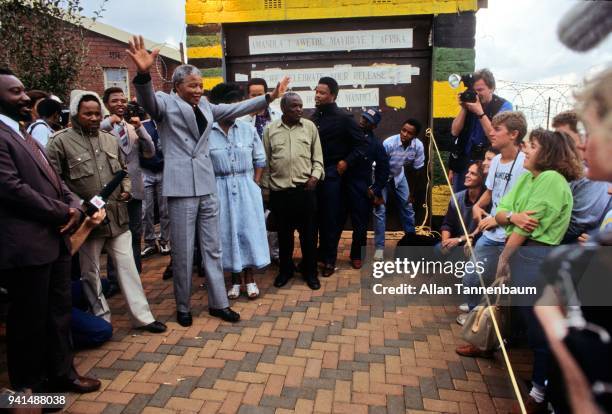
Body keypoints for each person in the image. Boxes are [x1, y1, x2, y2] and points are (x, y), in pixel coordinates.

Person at [127, 35, 289, 327]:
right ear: (177, 87)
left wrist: (269, 97)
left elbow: (238, 109)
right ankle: (183, 306)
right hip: (180, 188)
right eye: (193, 86)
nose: (198, 91)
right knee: (184, 250)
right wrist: (142, 73)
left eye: (201, 86)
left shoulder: (207, 107)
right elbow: (147, 100)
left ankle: (219, 303)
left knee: (213, 247)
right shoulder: (165, 104)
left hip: (207, 185)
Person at [0, 68, 100, 394]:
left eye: (23, 89)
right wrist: (63, 211)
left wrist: (74, 206)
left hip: (54, 241)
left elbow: (55, 181)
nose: (25, 96)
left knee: (58, 316)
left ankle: (62, 375)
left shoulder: (24, 133)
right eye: (15, 92)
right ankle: (30, 390)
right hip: (27, 246)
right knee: (28, 323)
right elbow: (11, 189)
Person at [46, 89, 166, 334]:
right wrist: (79, 208)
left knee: (128, 268)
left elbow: (122, 169)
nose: (92, 117)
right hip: (88, 223)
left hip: (117, 217)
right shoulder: (59, 142)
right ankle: (101, 317)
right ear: (76, 114)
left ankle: (143, 317)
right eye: (87, 113)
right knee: (91, 273)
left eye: (96, 113)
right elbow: (54, 182)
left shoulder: (109, 138)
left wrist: (126, 189)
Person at [492, 129, 581, 412]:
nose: (525, 150)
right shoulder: (528, 178)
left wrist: (503, 259)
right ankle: (539, 386)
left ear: (548, 152)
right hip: (523, 257)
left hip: (536, 259)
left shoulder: (551, 180)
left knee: (541, 331)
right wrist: (511, 216)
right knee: (531, 326)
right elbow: (501, 212)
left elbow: (522, 228)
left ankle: (541, 394)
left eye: (531, 145)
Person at [208, 82, 269, 299]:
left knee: (247, 231)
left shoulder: (247, 129)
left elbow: (260, 159)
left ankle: (250, 278)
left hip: (246, 186)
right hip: (219, 187)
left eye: (237, 105)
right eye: (229, 105)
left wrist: (255, 182)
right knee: (226, 233)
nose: (233, 110)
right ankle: (234, 280)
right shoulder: (208, 131)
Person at [263, 92, 324, 290]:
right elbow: (265, 164)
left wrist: (315, 176)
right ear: (283, 109)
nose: (299, 109)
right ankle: (285, 271)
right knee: (284, 237)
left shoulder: (310, 127)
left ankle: (310, 273)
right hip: (280, 193)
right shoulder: (270, 130)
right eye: (294, 106)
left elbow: (318, 158)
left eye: (300, 105)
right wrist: (266, 192)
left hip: (305, 191)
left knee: (309, 236)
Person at [100, 88, 155, 297]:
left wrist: (140, 129)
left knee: (135, 233)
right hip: (112, 191)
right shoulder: (101, 127)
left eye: (123, 100)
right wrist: (109, 122)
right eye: (115, 101)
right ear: (106, 104)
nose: (120, 104)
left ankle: (135, 275)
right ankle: (115, 280)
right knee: (115, 236)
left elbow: (150, 152)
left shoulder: (132, 127)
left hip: (135, 188)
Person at [312, 76, 368, 276]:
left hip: (333, 176)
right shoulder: (313, 118)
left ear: (333, 96)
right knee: (314, 218)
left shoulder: (344, 118)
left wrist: (346, 162)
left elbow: (361, 145)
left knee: (330, 220)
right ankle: (316, 255)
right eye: (316, 91)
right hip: (313, 176)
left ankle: (329, 260)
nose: (317, 95)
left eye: (322, 93)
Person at [449, 69, 513, 192]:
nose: (477, 94)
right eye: (474, 91)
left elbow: (495, 138)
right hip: (464, 163)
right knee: (461, 202)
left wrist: (480, 112)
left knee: (482, 205)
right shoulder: (471, 104)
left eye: (480, 90)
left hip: (487, 165)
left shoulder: (504, 106)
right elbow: (454, 131)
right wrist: (464, 108)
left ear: (492, 88)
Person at [551, 111, 610, 243]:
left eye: (566, 138)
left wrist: (533, 236)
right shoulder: (560, 167)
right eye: (557, 138)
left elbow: (577, 224)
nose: (559, 144)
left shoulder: (592, 174)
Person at [373, 119, 424, 261]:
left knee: (408, 208)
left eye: (409, 133)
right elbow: (378, 168)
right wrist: (377, 192)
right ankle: (379, 248)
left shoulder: (418, 146)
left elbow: (418, 171)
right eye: (403, 130)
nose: (404, 134)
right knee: (380, 210)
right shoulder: (389, 143)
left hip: (398, 175)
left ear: (415, 135)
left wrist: (412, 194)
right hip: (381, 176)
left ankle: (411, 245)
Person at [347, 108, 389, 269]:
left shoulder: (376, 145)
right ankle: (328, 257)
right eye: (363, 118)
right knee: (334, 222)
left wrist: (376, 188)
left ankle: (357, 255)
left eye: (367, 121)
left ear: (373, 126)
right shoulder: (349, 136)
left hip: (361, 188)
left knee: (360, 225)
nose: (362, 121)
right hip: (343, 184)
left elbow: (383, 169)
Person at [438, 161, 487, 256]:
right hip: (457, 241)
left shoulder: (488, 201)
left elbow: (482, 231)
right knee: (437, 250)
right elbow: (447, 224)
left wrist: (460, 239)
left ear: (482, 179)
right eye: (468, 172)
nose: (467, 175)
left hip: (476, 242)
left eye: (472, 174)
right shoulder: (456, 198)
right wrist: (446, 243)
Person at [140, 115, 171, 258]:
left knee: (165, 208)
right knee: (146, 210)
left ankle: (165, 240)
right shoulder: (143, 125)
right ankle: (149, 242)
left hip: (164, 170)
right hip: (146, 170)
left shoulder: (169, 124)